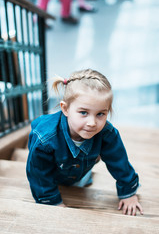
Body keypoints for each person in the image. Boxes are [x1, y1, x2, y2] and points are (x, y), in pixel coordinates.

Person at [26, 69, 143, 216]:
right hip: (53, 173)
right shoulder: (45, 138)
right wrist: (51, 201)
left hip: (81, 170)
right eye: (83, 113)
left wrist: (129, 192)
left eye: (100, 114)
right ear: (65, 108)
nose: (92, 123)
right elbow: (38, 173)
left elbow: (120, 163)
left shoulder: (106, 132)